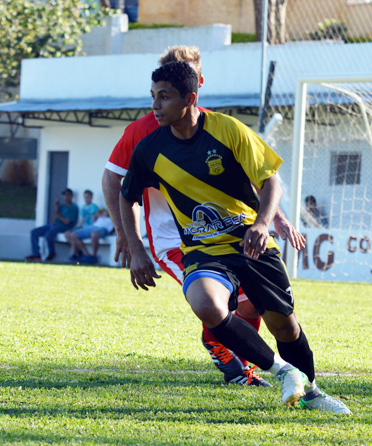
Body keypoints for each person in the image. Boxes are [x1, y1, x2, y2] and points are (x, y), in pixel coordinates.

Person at [119, 61, 350, 413]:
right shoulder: (150, 149)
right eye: (153, 96)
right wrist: (136, 248)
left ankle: (313, 393)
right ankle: (283, 371)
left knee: (284, 327)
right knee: (207, 304)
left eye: (164, 97)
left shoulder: (228, 130)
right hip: (202, 251)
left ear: (190, 98)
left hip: (251, 245)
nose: (155, 105)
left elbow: (270, 180)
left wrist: (262, 223)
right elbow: (128, 196)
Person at [103, 45, 306, 388]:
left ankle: (242, 357)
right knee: (215, 300)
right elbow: (113, 181)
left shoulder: (214, 125)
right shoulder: (143, 131)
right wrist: (126, 236)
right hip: (172, 237)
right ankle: (226, 353)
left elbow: (245, 181)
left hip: (225, 232)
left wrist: (274, 218)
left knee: (252, 303)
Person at [26, 188, 78, 262]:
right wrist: (57, 207)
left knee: (48, 234)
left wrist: (59, 217)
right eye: (65, 195)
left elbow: (67, 222)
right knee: (34, 232)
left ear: (71, 196)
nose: (66, 197)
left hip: (63, 227)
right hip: (54, 225)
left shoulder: (73, 207)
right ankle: (36, 255)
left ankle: (51, 252)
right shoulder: (62, 206)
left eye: (68, 195)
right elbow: (54, 218)